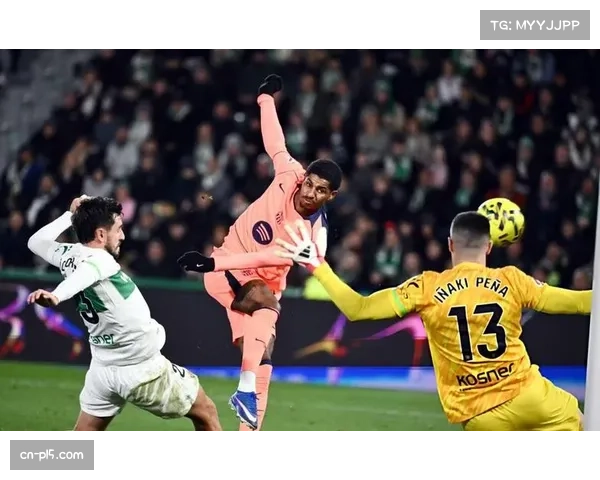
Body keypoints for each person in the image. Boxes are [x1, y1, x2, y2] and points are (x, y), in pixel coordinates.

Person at [275, 213, 592, 432]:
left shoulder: (426, 287)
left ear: (451, 244)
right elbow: (580, 302)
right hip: (532, 398)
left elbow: (358, 309)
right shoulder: (513, 280)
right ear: (489, 246)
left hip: (480, 415)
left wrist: (318, 266)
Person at [177, 74, 342, 431]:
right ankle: (244, 390)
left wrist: (213, 263)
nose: (310, 193)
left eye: (320, 191)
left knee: (262, 359)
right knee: (267, 308)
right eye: (310, 184)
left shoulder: (309, 237)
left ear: (331, 197)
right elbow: (275, 142)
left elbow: (263, 260)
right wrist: (265, 99)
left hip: (248, 276)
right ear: (305, 177)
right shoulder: (290, 174)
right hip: (231, 270)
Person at [26, 195, 222, 432]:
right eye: (118, 229)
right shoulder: (101, 260)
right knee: (207, 412)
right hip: (140, 367)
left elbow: (36, 242)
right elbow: (87, 273)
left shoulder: (70, 255)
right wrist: (57, 295)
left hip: (103, 367)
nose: (123, 236)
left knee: (84, 435)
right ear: (101, 235)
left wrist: (70, 215)